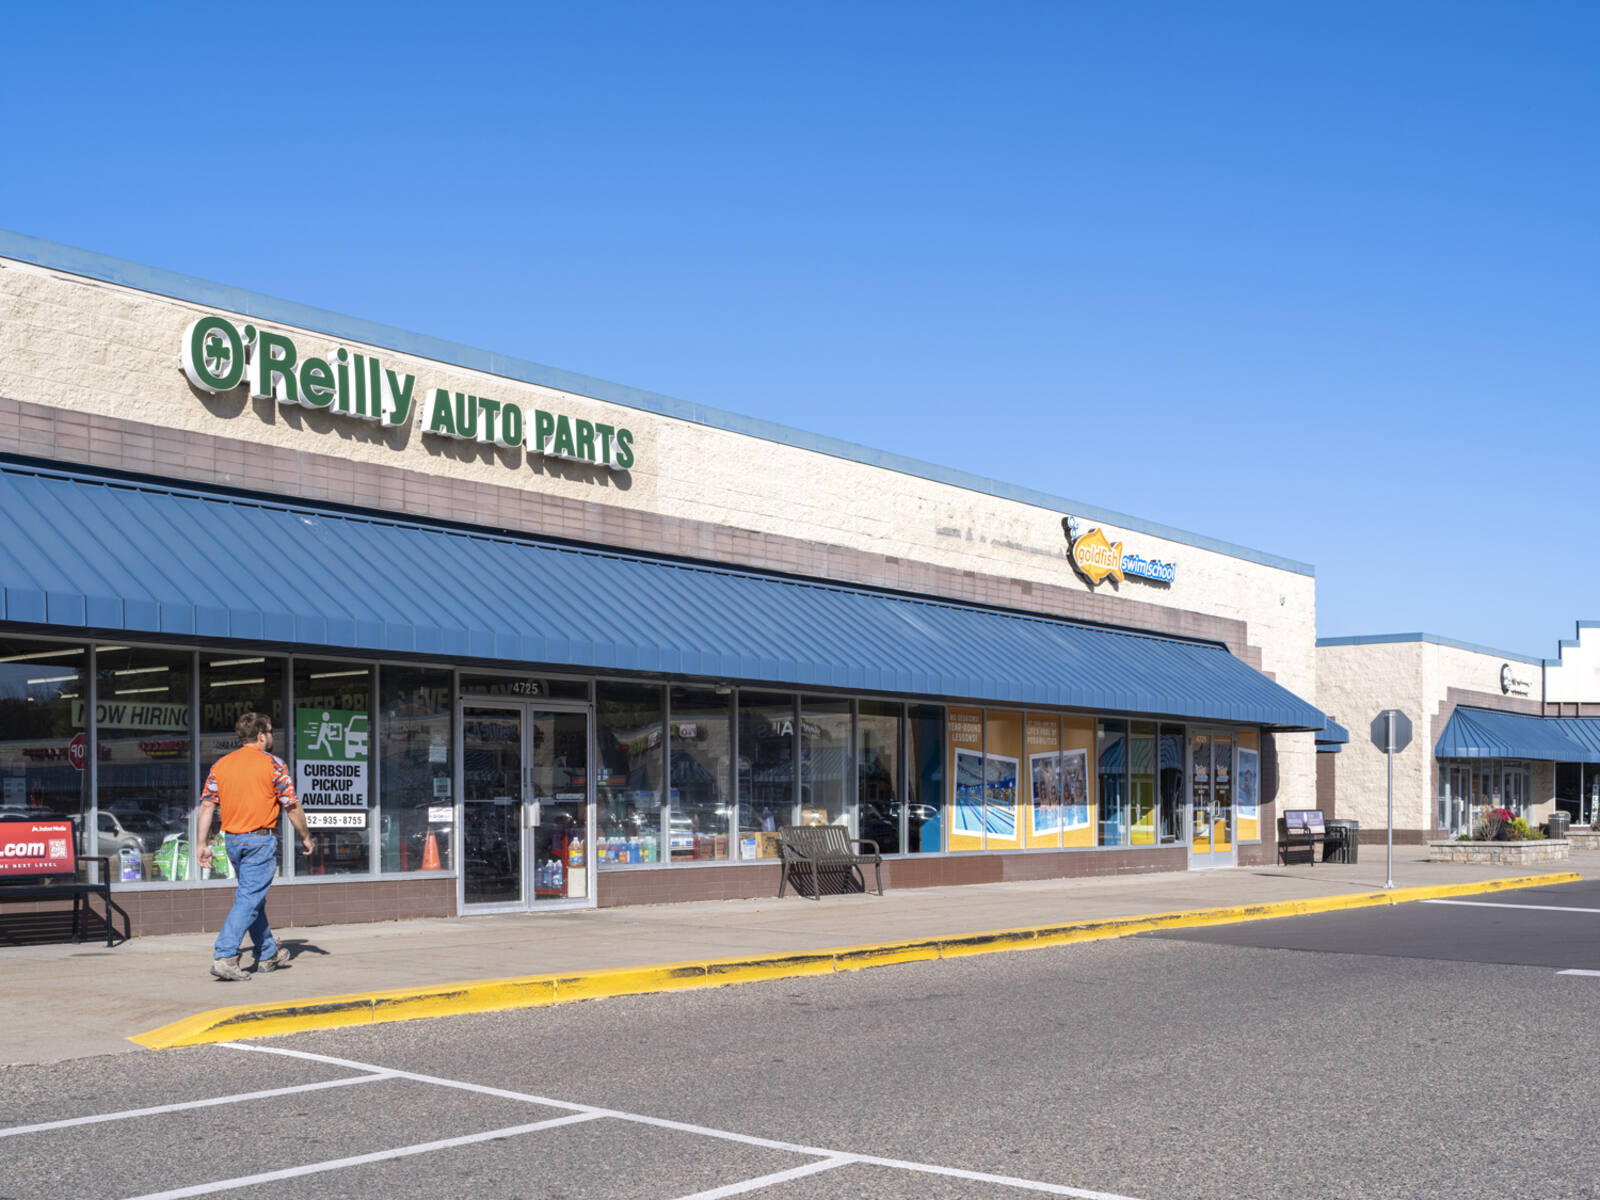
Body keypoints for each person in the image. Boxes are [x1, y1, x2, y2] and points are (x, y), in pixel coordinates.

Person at [195, 712, 314, 981]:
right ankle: (225, 955)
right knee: (249, 898)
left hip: (233, 841)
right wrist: (305, 836)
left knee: (253, 898)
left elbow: (206, 806)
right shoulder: (274, 764)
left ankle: (267, 952)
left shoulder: (221, 765)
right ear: (261, 735)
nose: (271, 736)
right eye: (270, 732)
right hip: (259, 840)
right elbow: (292, 806)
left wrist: (202, 844)